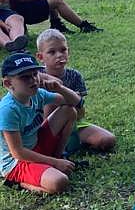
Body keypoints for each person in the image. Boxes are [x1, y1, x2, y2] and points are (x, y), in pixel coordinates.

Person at [0, 51, 79, 194]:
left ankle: (58, 155)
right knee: (59, 182)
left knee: (69, 110)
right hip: (17, 162)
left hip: (36, 146)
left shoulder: (38, 94)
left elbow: (75, 102)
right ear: (8, 83)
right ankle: (18, 182)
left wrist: (60, 88)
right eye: (25, 77)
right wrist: (54, 163)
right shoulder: (8, 109)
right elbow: (18, 152)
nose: (33, 80)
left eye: (35, 74)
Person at [36, 28, 116, 153]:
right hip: (41, 127)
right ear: (40, 57)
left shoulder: (74, 76)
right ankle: (53, 145)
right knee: (51, 100)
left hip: (72, 122)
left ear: (69, 51)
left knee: (107, 140)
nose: (59, 55)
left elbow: (81, 112)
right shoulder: (35, 75)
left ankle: (70, 143)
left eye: (63, 50)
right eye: (52, 52)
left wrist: (64, 92)